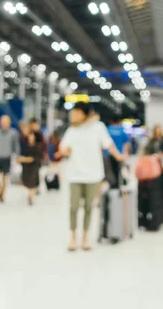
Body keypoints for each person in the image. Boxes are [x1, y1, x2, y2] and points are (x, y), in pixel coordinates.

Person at [60, 102, 123, 252]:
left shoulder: (98, 128)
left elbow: (108, 144)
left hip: (93, 175)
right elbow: (62, 148)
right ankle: (73, 238)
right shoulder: (72, 130)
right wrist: (65, 152)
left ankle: (85, 238)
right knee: (74, 207)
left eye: (76, 113)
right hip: (75, 175)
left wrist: (119, 157)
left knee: (89, 207)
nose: (73, 116)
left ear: (84, 113)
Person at [0, 115, 21, 203]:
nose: (4, 124)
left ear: (9, 123)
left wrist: (17, 156)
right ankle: (1, 189)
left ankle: (2, 195)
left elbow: (16, 146)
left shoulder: (13, 133)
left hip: (6, 157)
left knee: (4, 178)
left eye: (6, 122)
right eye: (2, 122)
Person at [18, 131, 43, 206]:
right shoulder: (25, 147)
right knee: (27, 182)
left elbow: (35, 158)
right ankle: (30, 195)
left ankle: (31, 197)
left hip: (34, 167)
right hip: (26, 167)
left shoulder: (37, 147)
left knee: (33, 181)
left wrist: (25, 159)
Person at [106, 116, 131, 187]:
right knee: (119, 171)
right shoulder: (121, 131)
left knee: (109, 171)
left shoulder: (107, 129)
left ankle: (111, 186)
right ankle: (118, 186)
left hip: (107, 155)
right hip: (119, 155)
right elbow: (127, 144)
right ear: (119, 122)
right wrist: (126, 154)